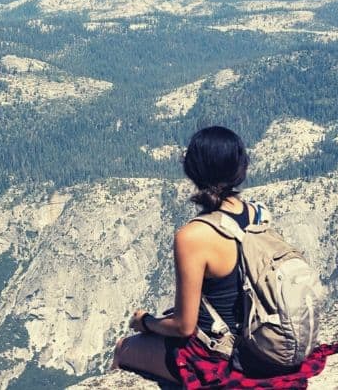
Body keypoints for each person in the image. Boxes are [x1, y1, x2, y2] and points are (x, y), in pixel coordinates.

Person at [110, 125, 271, 383]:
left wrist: (146, 322)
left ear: (192, 170)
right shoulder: (257, 214)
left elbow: (184, 327)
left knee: (123, 347)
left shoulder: (193, 236)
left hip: (217, 355)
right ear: (240, 168)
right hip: (259, 342)